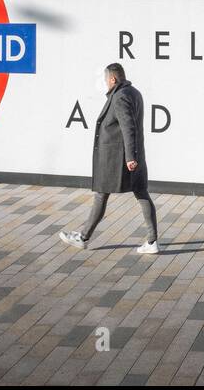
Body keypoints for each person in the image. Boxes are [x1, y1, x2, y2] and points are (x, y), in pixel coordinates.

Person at [60, 63, 160, 254]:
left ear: (113, 79)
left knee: (101, 194)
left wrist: (130, 157)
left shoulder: (120, 97)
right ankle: (152, 241)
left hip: (117, 158)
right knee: (141, 193)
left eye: (107, 80)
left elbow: (128, 127)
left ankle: (83, 237)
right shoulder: (134, 92)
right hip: (135, 154)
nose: (106, 84)